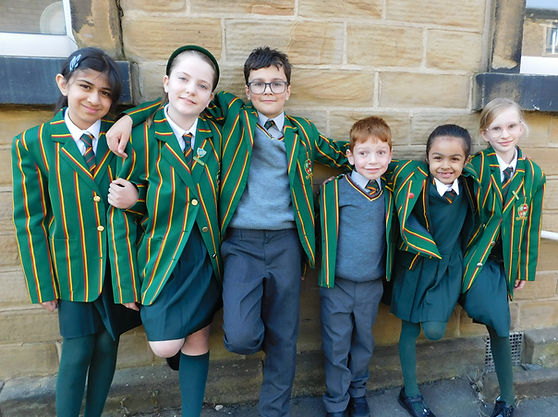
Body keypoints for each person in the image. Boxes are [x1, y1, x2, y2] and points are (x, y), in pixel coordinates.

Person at [106, 46, 350, 417]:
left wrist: (389, 165)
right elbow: (183, 99)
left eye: (276, 83)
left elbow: (342, 155)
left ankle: (274, 411)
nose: (267, 90)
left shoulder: (303, 131)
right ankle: (259, 332)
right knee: (240, 336)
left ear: (288, 89)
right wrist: (129, 117)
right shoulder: (234, 116)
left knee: (284, 338)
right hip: (240, 243)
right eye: (259, 84)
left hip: (287, 243)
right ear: (247, 90)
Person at [11, 47, 141, 417]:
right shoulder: (34, 142)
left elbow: (163, 110)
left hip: (117, 267)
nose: (94, 99)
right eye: (86, 87)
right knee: (78, 349)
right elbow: (30, 220)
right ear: (63, 84)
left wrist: (130, 119)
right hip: (70, 269)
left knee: (108, 346)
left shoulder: (122, 138)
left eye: (105, 93)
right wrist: (42, 284)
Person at [107, 45, 223, 417]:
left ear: (211, 96)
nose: (191, 90)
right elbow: (121, 217)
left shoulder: (217, 136)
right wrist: (125, 282)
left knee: (198, 338)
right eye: (183, 79)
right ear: (166, 82)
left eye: (202, 85)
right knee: (165, 346)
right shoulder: (141, 137)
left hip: (203, 257)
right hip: (160, 259)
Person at [461, 98, 545, 417]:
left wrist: (523, 267)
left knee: (500, 328)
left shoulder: (533, 173)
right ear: (485, 134)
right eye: (496, 128)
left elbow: (531, 225)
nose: (505, 134)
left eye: (511, 126)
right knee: (495, 318)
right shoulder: (475, 167)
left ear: (521, 128)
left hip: (505, 262)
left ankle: (507, 400)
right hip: (476, 256)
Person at [389, 125, 476, 417]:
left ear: (466, 161)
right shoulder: (413, 181)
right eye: (438, 158)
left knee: (435, 331)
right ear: (427, 158)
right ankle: (410, 392)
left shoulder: (470, 187)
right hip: (415, 266)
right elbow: (375, 163)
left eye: (455, 159)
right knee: (410, 328)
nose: (445, 166)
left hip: (447, 269)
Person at [317, 116, 396, 417]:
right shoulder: (334, 191)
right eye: (364, 153)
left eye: (380, 153)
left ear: (390, 155)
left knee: (363, 342)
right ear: (350, 156)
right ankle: (336, 401)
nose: (372, 161)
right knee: (336, 345)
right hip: (336, 284)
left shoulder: (390, 194)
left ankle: (358, 393)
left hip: (371, 286)